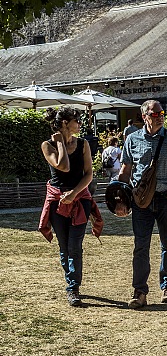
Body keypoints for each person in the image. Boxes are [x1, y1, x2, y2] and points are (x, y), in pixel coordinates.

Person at [119, 100, 167, 308]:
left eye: (162, 112)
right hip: (140, 201)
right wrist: (120, 198)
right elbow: (125, 171)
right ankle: (139, 291)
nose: (160, 116)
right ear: (144, 117)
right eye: (155, 113)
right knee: (140, 246)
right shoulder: (132, 139)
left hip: (165, 199)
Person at [38, 106, 102, 307]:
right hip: (57, 201)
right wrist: (61, 143)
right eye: (77, 120)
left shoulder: (83, 144)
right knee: (64, 246)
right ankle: (71, 282)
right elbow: (63, 166)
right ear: (65, 123)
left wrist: (74, 194)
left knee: (75, 246)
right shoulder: (47, 145)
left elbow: (89, 173)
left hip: (79, 198)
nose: (80, 124)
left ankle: (73, 288)